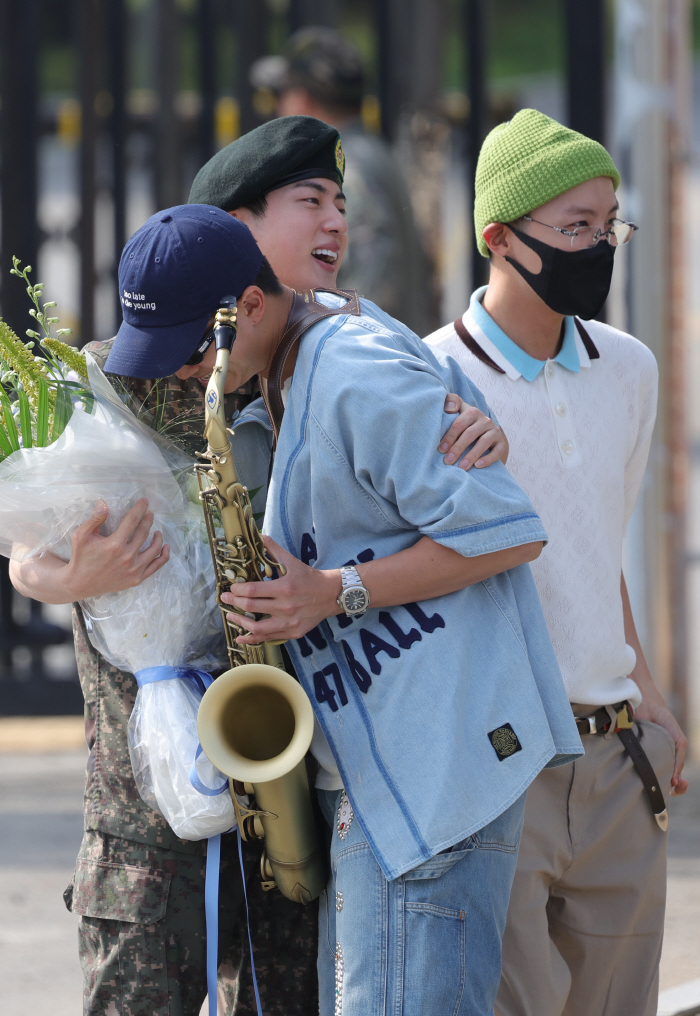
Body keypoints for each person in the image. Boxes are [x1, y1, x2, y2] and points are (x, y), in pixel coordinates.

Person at [9, 118, 505, 1016]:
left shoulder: (306, 362)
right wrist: (53, 578)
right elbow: (25, 545)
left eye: (337, 204)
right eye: (308, 202)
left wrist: (475, 425)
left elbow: (426, 448)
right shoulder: (108, 383)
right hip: (138, 814)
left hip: (280, 787)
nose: (196, 367)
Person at [106, 201, 582, 1016]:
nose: (184, 377)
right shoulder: (288, 369)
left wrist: (330, 592)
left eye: (188, 353)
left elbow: (507, 532)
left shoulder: (352, 370)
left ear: (250, 307)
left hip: (435, 778)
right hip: (387, 777)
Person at [424, 108, 689, 1016]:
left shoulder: (630, 367)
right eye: (575, 229)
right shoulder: (430, 381)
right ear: (499, 238)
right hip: (500, 761)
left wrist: (651, 701)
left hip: (618, 757)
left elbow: (596, 543)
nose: (599, 248)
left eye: (608, 226)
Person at [248, 27, 433, 335]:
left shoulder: (343, 167)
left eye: (282, 95)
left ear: (302, 101)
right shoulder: (373, 151)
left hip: (371, 369)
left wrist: (336, 343)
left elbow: (375, 272)